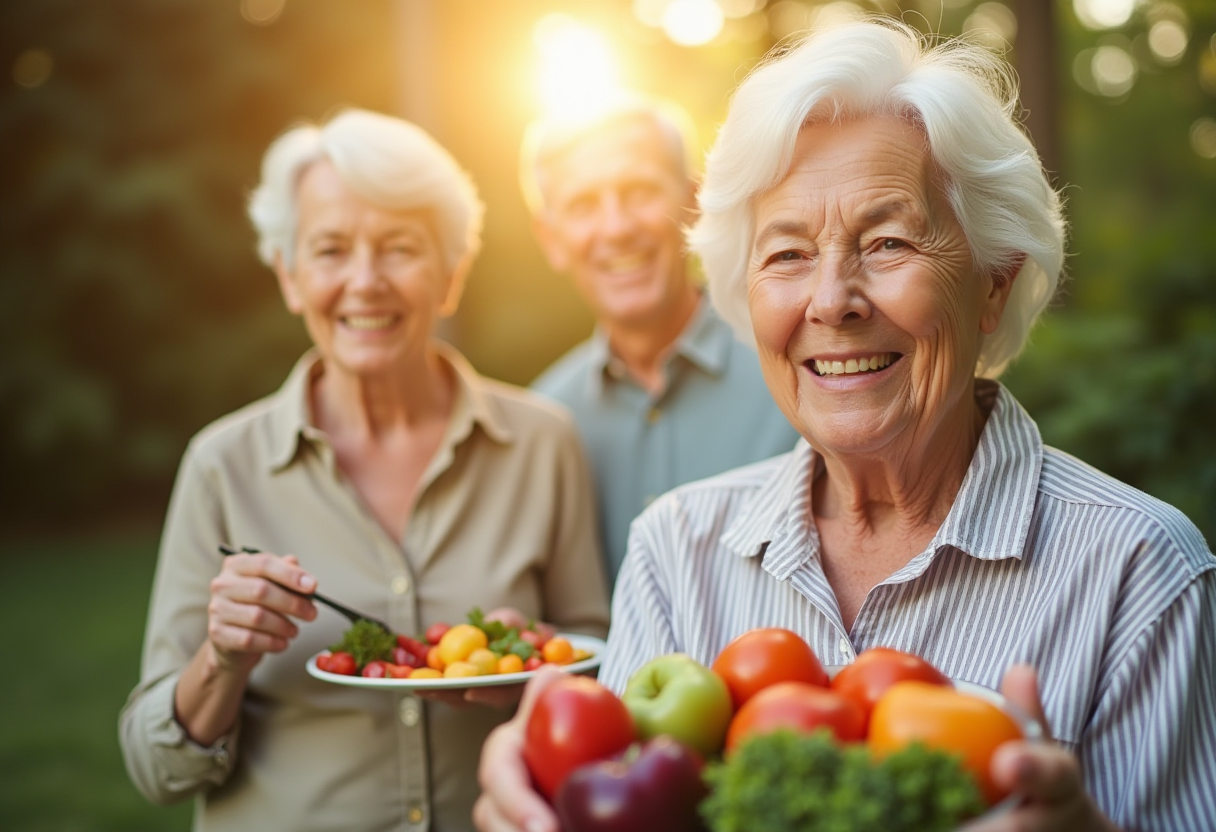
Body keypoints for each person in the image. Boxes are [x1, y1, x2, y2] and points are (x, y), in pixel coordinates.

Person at [473, 19, 1216, 832]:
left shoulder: (1139, 572)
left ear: (994, 285)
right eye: (787, 255)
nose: (831, 300)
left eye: (888, 241)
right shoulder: (675, 552)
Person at [119, 108, 610, 832]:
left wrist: (534, 661)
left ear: (450, 274)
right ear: (290, 277)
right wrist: (222, 659)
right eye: (330, 250)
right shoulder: (223, 466)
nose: (364, 280)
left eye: (399, 248)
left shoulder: (543, 443)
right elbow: (156, 769)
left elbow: (600, 670)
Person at [522, 96, 802, 583]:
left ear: (693, 203)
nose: (617, 227)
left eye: (639, 191)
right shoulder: (541, 422)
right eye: (583, 205)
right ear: (550, 239)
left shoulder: (798, 365)